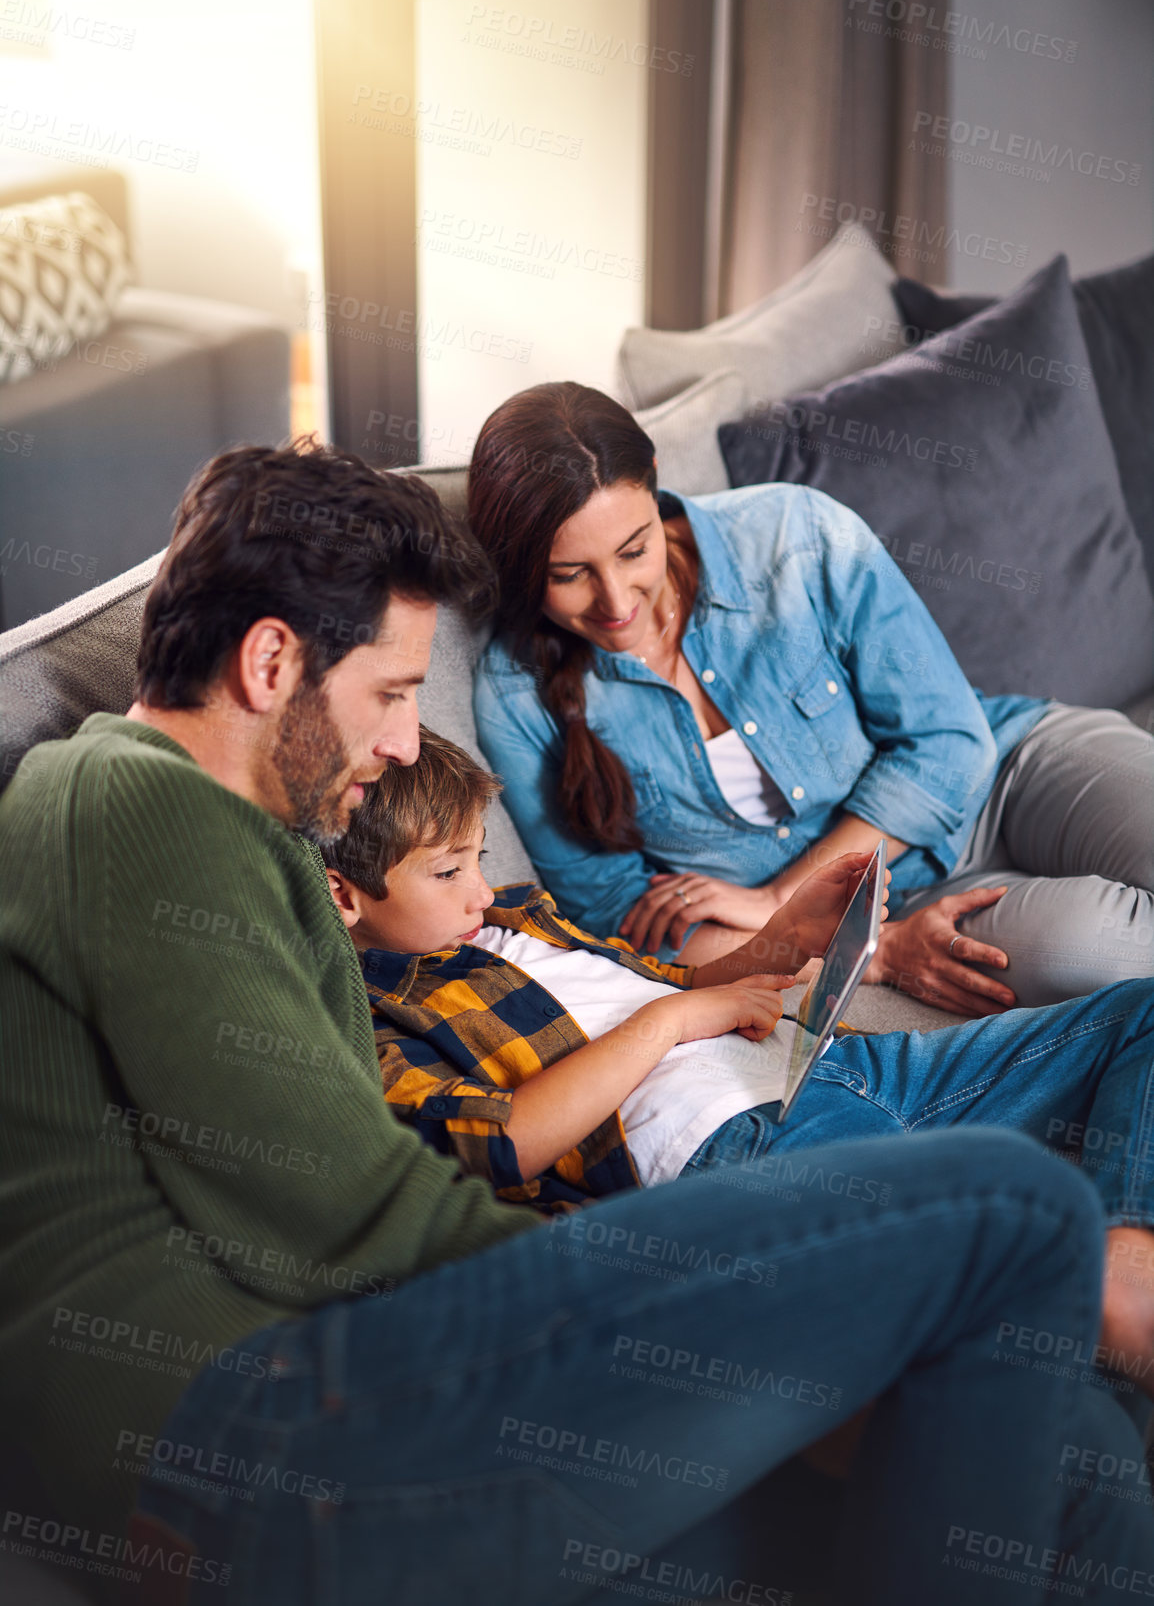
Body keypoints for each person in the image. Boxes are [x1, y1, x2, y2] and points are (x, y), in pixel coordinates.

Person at [2, 441, 1153, 1606]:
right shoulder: (132, 797)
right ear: (267, 661)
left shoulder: (252, 851)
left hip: (372, 1440)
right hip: (254, 1435)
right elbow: (344, 1213)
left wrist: (777, 1359)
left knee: (1080, 1456)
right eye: (392, 693)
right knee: (1016, 1210)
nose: (406, 740)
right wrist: (744, 1330)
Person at [321, 726, 1154, 1384]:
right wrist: (674, 1023)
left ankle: (1126, 1257)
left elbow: (668, 980)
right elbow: (501, 1144)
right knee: (994, 1305)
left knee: (1141, 1013)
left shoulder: (514, 913)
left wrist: (782, 940)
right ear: (345, 895)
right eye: (446, 872)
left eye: (476, 856)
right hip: (740, 1150)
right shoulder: (378, 1015)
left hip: (841, 1072)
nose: (479, 887)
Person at [467, 381, 1154, 1015]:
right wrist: (861, 950)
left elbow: (950, 738)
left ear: (653, 482)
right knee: (1094, 950)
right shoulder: (517, 698)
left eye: (634, 550)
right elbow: (627, 924)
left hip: (1007, 769)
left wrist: (779, 897)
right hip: (901, 906)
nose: (616, 601)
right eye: (569, 574)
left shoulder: (795, 535)